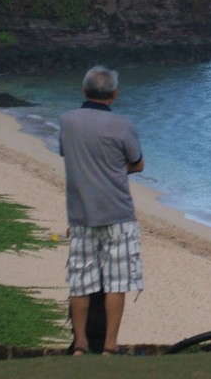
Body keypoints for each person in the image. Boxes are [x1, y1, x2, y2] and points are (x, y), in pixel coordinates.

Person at [60, 66, 144, 356]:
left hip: (81, 212)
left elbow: (68, 154)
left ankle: (80, 344)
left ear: (84, 91)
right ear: (114, 94)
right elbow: (137, 163)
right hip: (118, 212)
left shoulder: (67, 121)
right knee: (117, 282)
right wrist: (115, 169)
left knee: (80, 282)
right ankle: (110, 344)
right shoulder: (123, 124)